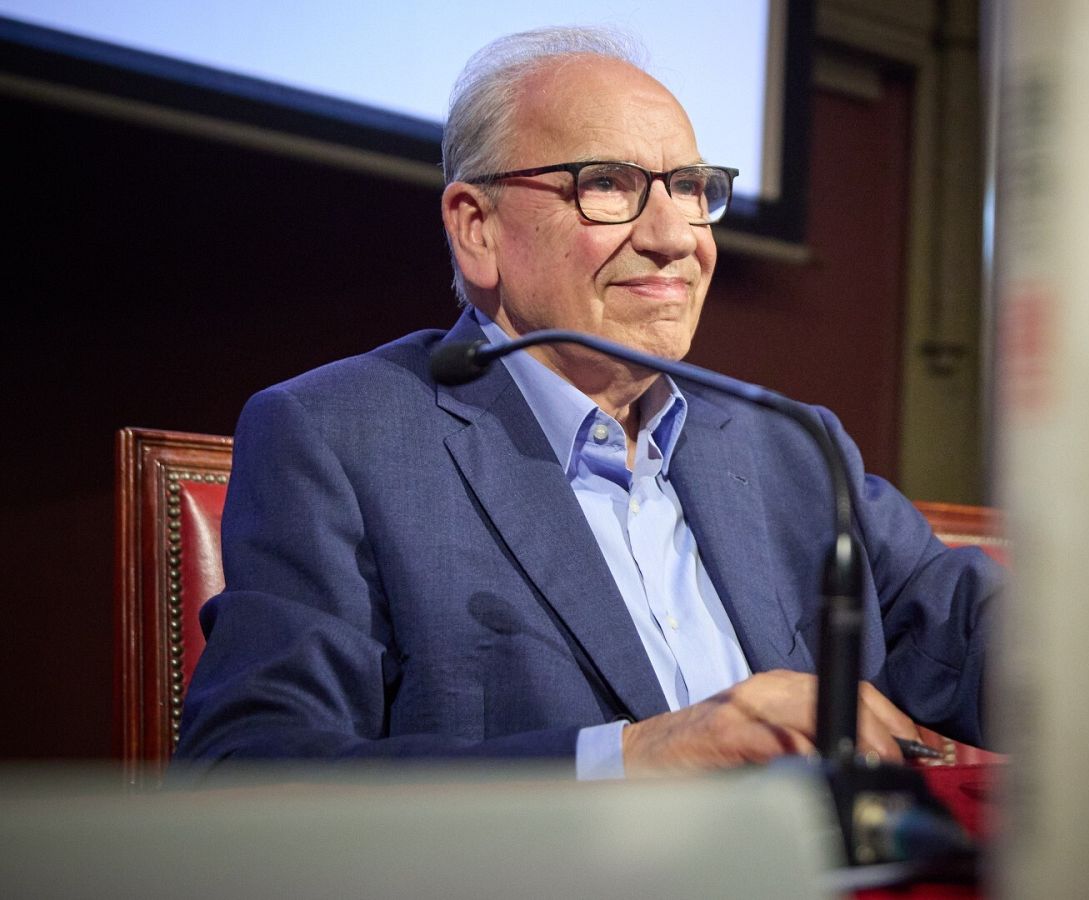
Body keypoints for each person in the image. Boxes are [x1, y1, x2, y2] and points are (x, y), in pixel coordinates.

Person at [174, 27, 999, 778]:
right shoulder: (339, 437)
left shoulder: (789, 447)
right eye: (608, 185)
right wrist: (634, 757)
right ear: (477, 229)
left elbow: (978, 634)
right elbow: (247, 774)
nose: (676, 236)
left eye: (689, 187)